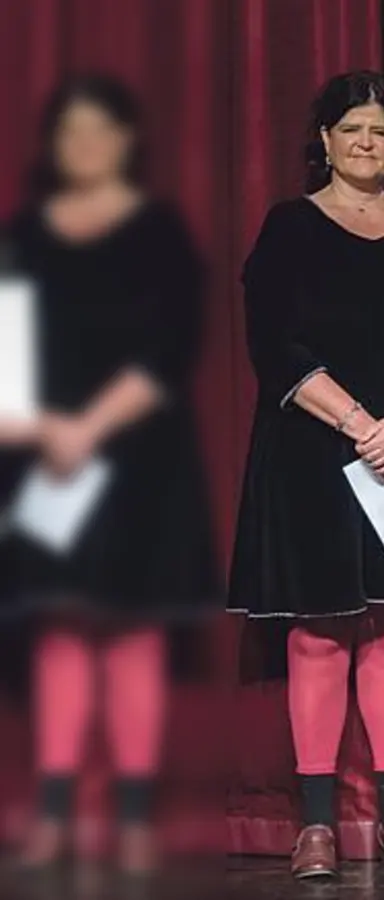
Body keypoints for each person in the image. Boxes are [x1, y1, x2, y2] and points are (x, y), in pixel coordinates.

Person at [227, 70, 384, 879]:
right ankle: (317, 825)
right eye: (351, 128)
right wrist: (361, 423)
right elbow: (274, 345)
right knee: (319, 634)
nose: (366, 142)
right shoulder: (288, 227)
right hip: (312, 457)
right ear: (322, 140)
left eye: (381, 131)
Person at [0, 73, 219, 876]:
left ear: (127, 140)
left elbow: (170, 348)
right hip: (43, 458)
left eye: (99, 131)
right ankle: (55, 811)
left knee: (133, 634)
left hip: (141, 462)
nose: (84, 146)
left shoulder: (160, 233)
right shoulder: (21, 236)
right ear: (53, 146)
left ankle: (131, 815)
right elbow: (4, 354)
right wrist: (45, 428)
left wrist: (89, 425)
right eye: (70, 133)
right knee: (58, 631)